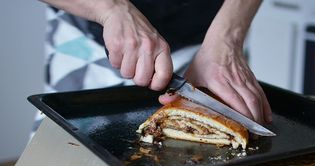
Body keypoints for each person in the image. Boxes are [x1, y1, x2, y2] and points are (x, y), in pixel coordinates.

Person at [37, 0, 272, 128]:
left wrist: (228, 38)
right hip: (84, 38)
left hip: (213, 40)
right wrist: (110, 7)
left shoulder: (222, 40)